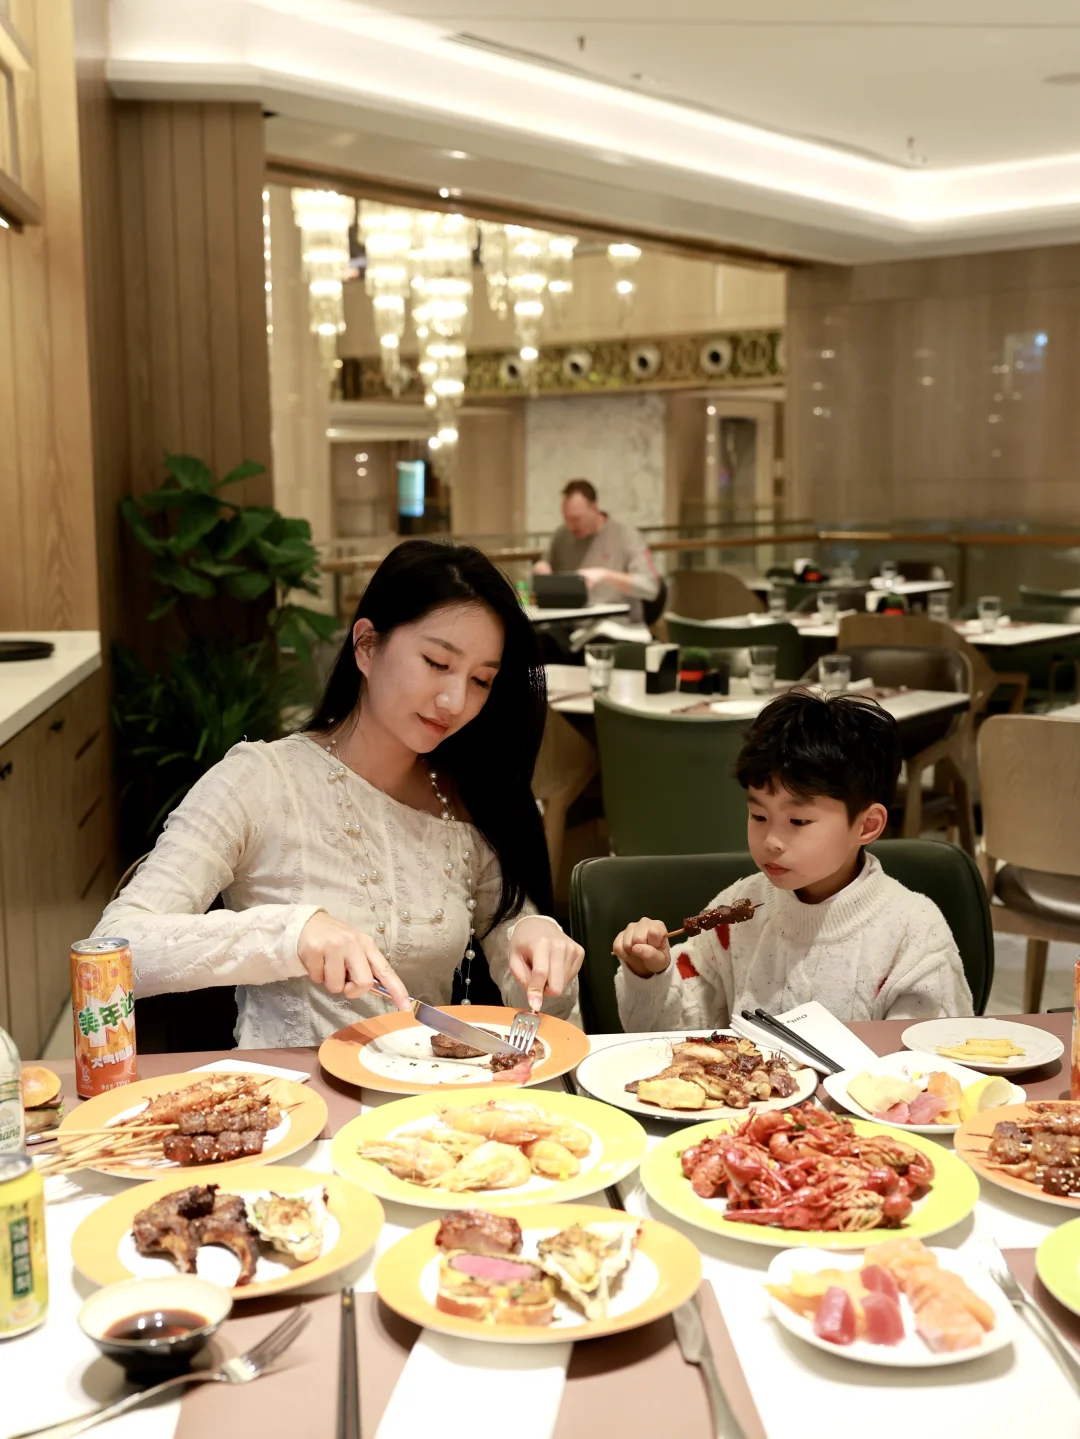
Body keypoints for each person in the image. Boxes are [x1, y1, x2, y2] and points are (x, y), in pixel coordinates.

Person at [94, 540, 584, 1048]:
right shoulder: (262, 780)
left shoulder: (462, 800)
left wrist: (538, 946)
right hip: (286, 1094)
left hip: (427, 1094)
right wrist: (291, 934)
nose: (455, 701)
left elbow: (530, 985)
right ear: (366, 646)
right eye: (437, 663)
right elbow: (113, 953)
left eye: (481, 680)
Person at [613, 691, 973, 1030]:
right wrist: (651, 977)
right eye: (759, 816)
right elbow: (674, 1036)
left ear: (867, 825)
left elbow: (926, 1057)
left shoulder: (914, 934)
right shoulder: (737, 914)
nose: (771, 841)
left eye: (798, 821)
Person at [533, 479, 660, 624]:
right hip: (571, 623)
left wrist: (605, 575)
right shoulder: (562, 536)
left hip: (616, 623)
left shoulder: (626, 537)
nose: (571, 526)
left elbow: (651, 588)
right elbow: (546, 565)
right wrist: (542, 568)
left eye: (577, 519)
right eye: (567, 519)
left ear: (594, 508)